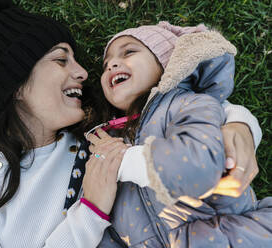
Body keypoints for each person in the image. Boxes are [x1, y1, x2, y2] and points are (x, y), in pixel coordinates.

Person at [0, 1, 262, 247]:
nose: (83, 73)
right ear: (15, 81)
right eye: (61, 59)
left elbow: (174, 116)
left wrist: (239, 124)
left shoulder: (102, 141)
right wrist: (91, 211)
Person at [86, 22, 272, 247]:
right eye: (106, 66)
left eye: (129, 52)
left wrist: (121, 161)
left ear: (167, 64)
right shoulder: (115, 137)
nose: (112, 64)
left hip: (224, 237)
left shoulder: (189, 104)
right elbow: (113, 229)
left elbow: (199, 165)